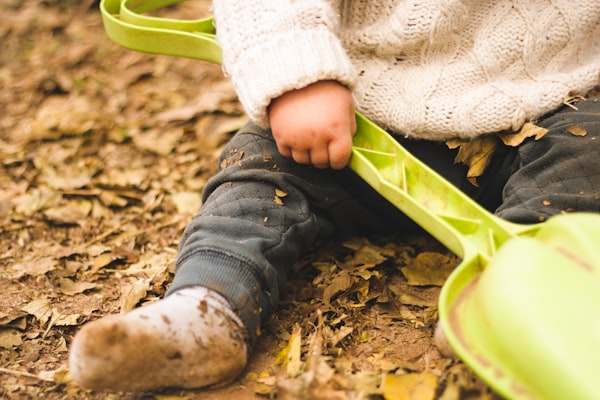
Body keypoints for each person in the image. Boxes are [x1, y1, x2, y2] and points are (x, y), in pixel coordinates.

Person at [69, 0, 600, 392]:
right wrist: (298, 80)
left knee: (587, 152)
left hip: (551, 104)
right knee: (259, 172)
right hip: (361, 123)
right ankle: (207, 306)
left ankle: (515, 298)